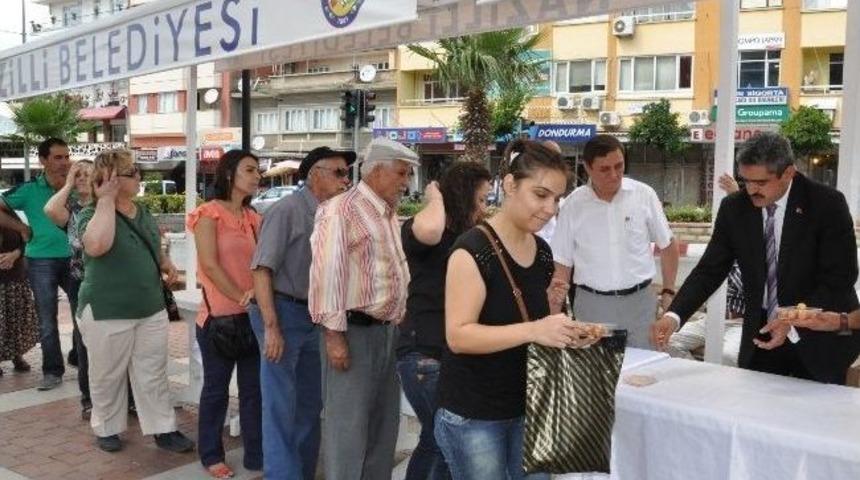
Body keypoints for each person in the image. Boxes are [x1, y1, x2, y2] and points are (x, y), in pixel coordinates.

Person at [435, 139, 604, 480]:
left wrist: (565, 330)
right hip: (476, 414)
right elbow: (458, 336)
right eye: (540, 195)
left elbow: (528, 320)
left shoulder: (541, 250)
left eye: (557, 199)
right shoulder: (472, 250)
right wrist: (535, 330)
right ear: (510, 185)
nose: (550, 208)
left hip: (531, 405)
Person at [653, 132, 860, 384]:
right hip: (761, 334)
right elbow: (709, 269)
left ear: (788, 173)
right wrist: (673, 316)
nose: (751, 190)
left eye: (760, 182)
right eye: (745, 180)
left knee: (815, 408)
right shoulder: (734, 208)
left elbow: (841, 276)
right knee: (756, 404)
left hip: (817, 338)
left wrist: (794, 318)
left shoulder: (826, 204)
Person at [308, 137, 417, 480]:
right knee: (347, 430)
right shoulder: (340, 210)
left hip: (386, 332)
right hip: (352, 333)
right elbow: (327, 274)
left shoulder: (386, 212)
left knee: (383, 429)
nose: (406, 182)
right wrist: (334, 337)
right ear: (377, 171)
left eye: (408, 174)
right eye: (401, 173)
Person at [77, 149, 194, 453]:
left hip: (150, 307)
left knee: (153, 372)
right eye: (132, 172)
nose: (139, 176)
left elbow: (153, 242)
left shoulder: (141, 211)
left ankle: (163, 429)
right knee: (107, 375)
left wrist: (164, 260)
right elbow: (97, 246)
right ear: (110, 179)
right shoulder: (90, 214)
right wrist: (105, 200)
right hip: (106, 310)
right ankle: (107, 428)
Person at [248, 146, 354, 480]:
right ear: (315, 175)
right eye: (339, 172)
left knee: (310, 404)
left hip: (315, 317)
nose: (346, 180)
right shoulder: (287, 211)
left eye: (347, 173)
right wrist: (271, 328)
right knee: (280, 405)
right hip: (282, 312)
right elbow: (261, 270)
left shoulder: (334, 214)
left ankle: (302, 472)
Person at [396, 162, 492, 480]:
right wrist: (436, 196)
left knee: (435, 439)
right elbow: (431, 231)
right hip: (423, 354)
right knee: (443, 440)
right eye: (481, 199)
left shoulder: (469, 237)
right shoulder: (425, 228)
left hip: (447, 356)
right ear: (463, 196)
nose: (485, 208)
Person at [550, 134, 680, 349]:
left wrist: (668, 292)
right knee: (598, 369)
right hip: (592, 307)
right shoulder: (573, 205)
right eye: (605, 169)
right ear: (588, 168)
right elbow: (562, 263)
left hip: (640, 304)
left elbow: (667, 245)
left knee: (645, 366)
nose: (614, 175)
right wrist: (555, 313)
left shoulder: (643, 195)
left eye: (619, 166)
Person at [189, 150, 263, 478]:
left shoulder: (253, 217)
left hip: (252, 317)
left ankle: (256, 453)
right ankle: (210, 454)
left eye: (258, 171)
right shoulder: (208, 214)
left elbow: (262, 264)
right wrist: (242, 296)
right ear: (230, 173)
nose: (257, 176)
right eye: (250, 170)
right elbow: (209, 265)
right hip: (218, 319)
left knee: (254, 391)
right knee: (216, 390)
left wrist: (257, 298)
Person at [0, 138, 74, 391]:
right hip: (40, 260)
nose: (64, 162)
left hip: (76, 258)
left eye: (67, 156)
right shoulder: (29, 189)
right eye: (58, 157)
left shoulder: (77, 186)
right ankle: (52, 371)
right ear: (43, 160)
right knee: (46, 320)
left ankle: (81, 359)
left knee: (84, 315)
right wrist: (21, 228)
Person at [667, 173, 744, 366]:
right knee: (669, 342)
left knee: (729, 356)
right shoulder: (719, 252)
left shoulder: (753, 253)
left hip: (739, 323)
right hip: (710, 319)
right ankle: (699, 378)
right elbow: (703, 277)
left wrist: (736, 195)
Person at [44, 159, 97, 418]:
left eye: (88, 173)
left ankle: (126, 396)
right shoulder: (72, 209)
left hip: (110, 281)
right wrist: (67, 183)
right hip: (81, 282)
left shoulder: (107, 205)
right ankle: (89, 399)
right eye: (78, 175)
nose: (82, 178)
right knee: (84, 340)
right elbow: (50, 209)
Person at [0, 225, 38, 376]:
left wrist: (15, 255)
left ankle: (17, 355)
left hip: (15, 278)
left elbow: (28, 240)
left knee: (17, 319)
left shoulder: (11, 217)